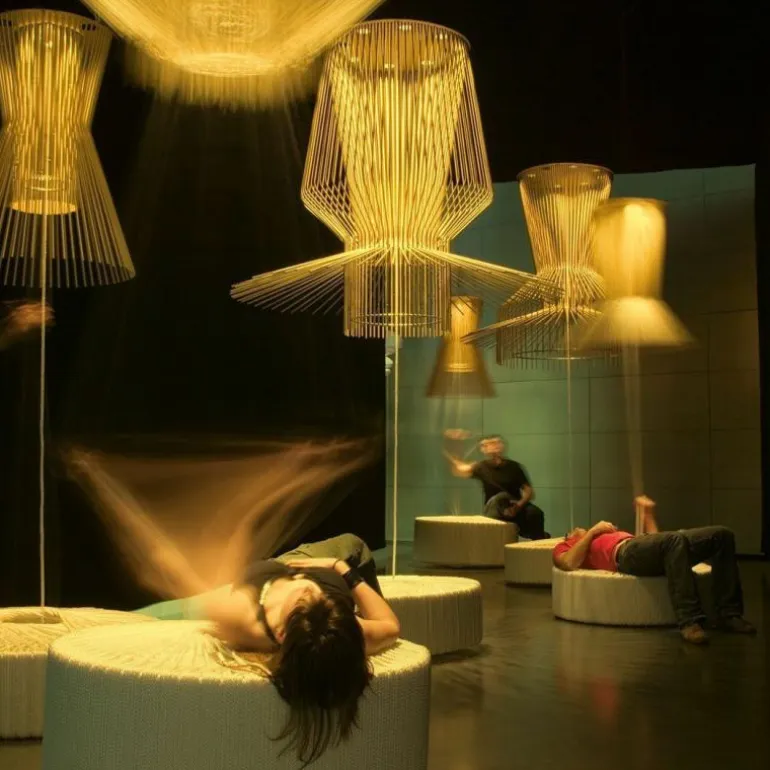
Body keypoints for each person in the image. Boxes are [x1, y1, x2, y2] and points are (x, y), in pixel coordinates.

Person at [552, 496, 756, 645]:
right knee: (675, 539)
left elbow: (663, 545)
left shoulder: (608, 534)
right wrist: (593, 532)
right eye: (574, 530)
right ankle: (689, 620)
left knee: (722, 535)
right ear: (569, 537)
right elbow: (568, 563)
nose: (578, 527)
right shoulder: (567, 545)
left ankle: (729, 614)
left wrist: (648, 515)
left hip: (641, 547)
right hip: (624, 555)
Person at [446, 433, 550, 540]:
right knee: (499, 498)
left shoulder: (514, 467)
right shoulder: (481, 467)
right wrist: (454, 445)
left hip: (515, 506)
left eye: (496, 442)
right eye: (488, 444)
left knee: (535, 513)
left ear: (502, 446)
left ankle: (539, 540)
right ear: (483, 449)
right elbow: (458, 470)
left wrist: (518, 506)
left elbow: (528, 491)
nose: (493, 446)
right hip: (495, 510)